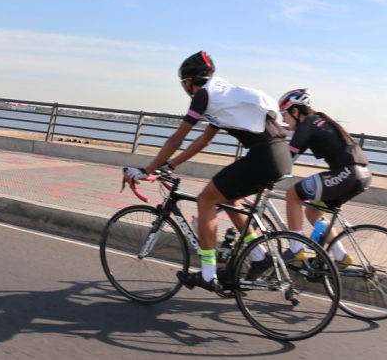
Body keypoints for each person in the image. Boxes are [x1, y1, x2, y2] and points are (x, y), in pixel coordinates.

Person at [124, 51, 291, 291]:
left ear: (190, 81)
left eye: (184, 84)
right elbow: (204, 141)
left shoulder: (203, 96)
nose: (185, 89)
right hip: (280, 156)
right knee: (229, 198)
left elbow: (176, 139)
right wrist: (169, 166)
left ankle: (208, 273)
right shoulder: (220, 96)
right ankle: (259, 256)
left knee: (206, 200)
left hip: (264, 156)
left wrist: (147, 169)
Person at [278, 88, 372, 265]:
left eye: (284, 114)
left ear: (295, 111)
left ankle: (296, 248)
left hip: (347, 174)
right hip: (363, 175)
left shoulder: (307, 125)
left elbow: (286, 159)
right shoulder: (319, 121)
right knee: (313, 210)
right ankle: (341, 256)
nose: (282, 119)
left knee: (293, 194)